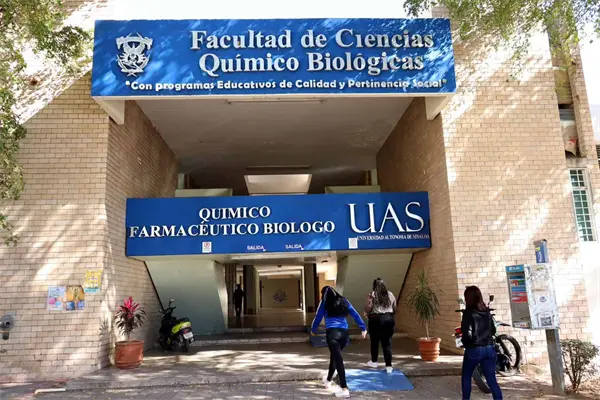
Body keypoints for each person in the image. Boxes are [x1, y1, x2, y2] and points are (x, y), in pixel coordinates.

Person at [311, 286, 367, 398]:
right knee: (335, 357)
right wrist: (363, 327)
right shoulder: (344, 301)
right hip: (344, 334)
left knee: (338, 360)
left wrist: (313, 329)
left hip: (332, 335)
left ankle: (344, 389)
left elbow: (318, 317)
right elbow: (354, 313)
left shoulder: (324, 303)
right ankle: (328, 380)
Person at [461, 286, 503, 400]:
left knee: (466, 376)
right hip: (489, 348)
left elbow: (467, 334)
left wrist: (465, 344)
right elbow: (493, 330)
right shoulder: (487, 312)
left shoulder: (468, 313)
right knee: (492, 381)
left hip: (474, 349)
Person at [364, 278, 396, 373]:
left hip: (376, 320)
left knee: (374, 342)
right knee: (387, 343)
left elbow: (368, 308)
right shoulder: (390, 294)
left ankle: (374, 362)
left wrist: (366, 313)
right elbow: (394, 307)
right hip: (388, 319)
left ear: (374, 285)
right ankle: (389, 366)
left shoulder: (372, 294)